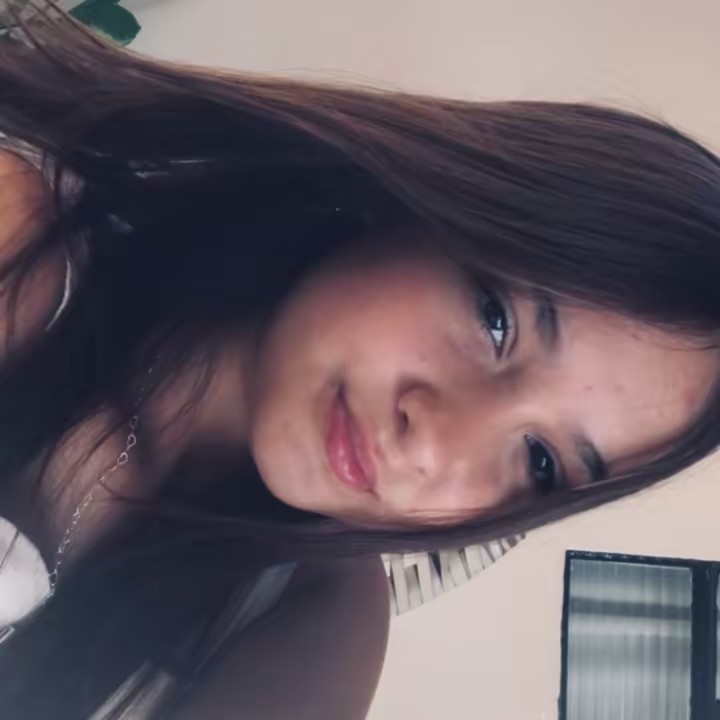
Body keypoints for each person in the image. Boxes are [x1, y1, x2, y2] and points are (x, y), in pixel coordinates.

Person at [0, 6, 719, 719]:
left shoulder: (317, 617)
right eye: (496, 321)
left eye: (540, 463)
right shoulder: (23, 241)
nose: (431, 443)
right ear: (424, 205)